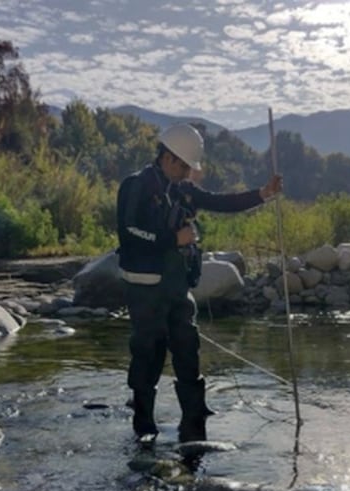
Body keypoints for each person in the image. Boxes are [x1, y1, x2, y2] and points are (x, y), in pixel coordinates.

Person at [116, 123, 282, 442]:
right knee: (148, 353)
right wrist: (171, 238)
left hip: (178, 287)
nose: (188, 173)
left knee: (187, 348)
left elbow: (222, 202)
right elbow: (129, 231)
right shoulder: (134, 186)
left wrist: (264, 194)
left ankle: (195, 417)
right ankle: (143, 425)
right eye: (185, 166)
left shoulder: (182, 189)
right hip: (145, 287)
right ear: (169, 158)